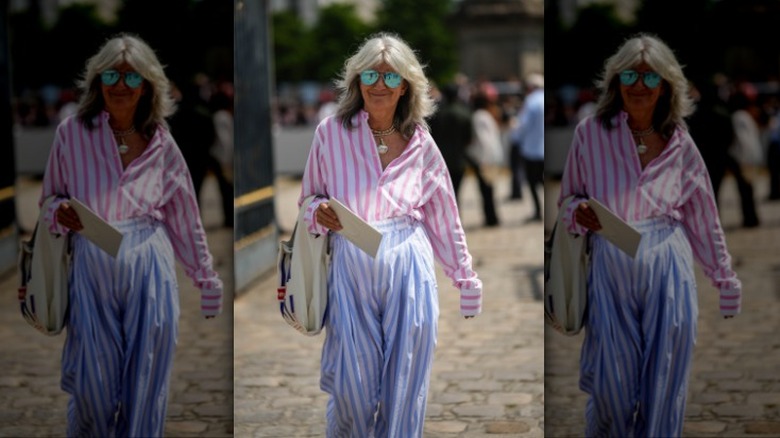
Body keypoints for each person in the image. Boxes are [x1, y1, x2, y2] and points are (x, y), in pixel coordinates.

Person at [34, 33, 223, 436]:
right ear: (97, 82)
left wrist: (206, 279)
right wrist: (58, 211)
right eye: (112, 76)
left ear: (149, 87)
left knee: (147, 378)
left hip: (150, 267)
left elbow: (184, 216)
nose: (121, 85)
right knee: (93, 384)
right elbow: (49, 197)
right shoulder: (71, 134)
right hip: (91, 265)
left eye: (132, 78)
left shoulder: (162, 144)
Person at [298, 32, 483, 437]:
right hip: (350, 266)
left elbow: (443, 215)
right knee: (354, 384)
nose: (379, 84)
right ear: (356, 82)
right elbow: (307, 198)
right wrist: (318, 211)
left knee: (406, 381)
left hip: (409, 267)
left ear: (405, 85)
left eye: (389, 76)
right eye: (370, 75)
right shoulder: (330, 133)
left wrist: (465, 278)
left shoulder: (422, 143)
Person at [558, 34, 741, 437]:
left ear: (667, 86)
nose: (638, 85)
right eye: (629, 75)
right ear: (615, 81)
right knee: (613, 385)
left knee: (666, 378)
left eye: (649, 78)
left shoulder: (681, 144)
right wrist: (578, 212)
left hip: (669, 268)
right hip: (609, 267)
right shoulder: (590, 133)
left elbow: (703, 216)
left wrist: (724, 279)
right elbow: (567, 197)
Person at [688, 80, 760, 227]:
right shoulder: (723, 111)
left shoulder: (696, 113)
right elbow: (730, 135)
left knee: (712, 192)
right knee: (744, 186)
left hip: (705, 158)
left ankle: (714, 222)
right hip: (723, 155)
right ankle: (750, 218)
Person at [428, 82, 473, 200]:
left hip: (439, 159)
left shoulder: (436, 114)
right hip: (458, 159)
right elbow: (469, 138)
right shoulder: (464, 113)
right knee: (456, 193)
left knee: (443, 195)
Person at [465, 92, 502, 227]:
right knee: (489, 190)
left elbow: (484, 140)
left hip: (484, 159)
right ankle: (492, 217)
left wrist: (483, 160)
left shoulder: (478, 117)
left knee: (486, 190)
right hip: (491, 157)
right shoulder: (486, 115)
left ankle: (491, 219)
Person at [511, 73, 545, 222]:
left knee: (532, 183)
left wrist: (515, 138)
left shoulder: (531, 101)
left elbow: (523, 125)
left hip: (532, 149)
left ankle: (538, 211)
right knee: (544, 181)